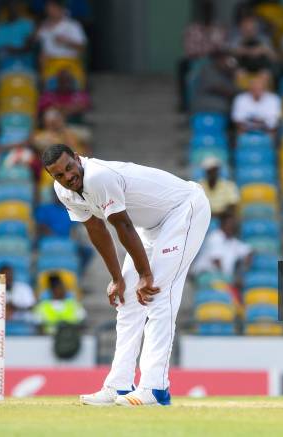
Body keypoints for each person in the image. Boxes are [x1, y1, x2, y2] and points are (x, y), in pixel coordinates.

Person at [42, 143, 211, 406]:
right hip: (150, 227)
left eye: (69, 168)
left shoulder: (99, 176)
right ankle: (120, 385)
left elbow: (122, 225)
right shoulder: (64, 191)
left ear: (77, 158)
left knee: (157, 294)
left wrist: (145, 274)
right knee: (127, 301)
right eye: (59, 175)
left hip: (183, 210)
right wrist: (117, 279)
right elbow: (96, 228)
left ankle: (155, 388)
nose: (67, 177)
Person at [179, 0, 227, 111]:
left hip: (215, 63)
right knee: (191, 79)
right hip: (197, 62)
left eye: (209, 11)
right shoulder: (192, 29)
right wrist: (210, 50)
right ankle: (188, 108)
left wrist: (207, 50)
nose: (207, 14)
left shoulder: (218, 29)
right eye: (205, 11)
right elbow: (190, 50)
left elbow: (222, 48)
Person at [192, 212, 252, 284]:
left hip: (220, 277)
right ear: (222, 224)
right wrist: (229, 279)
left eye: (233, 224)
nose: (232, 226)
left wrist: (246, 264)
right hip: (205, 274)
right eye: (229, 224)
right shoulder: (215, 237)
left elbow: (248, 250)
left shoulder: (233, 242)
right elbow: (216, 261)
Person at [231, 71, 281, 136]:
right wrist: (258, 122)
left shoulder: (274, 99)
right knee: (239, 131)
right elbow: (237, 119)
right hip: (246, 130)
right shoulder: (240, 98)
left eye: (259, 88)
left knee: (273, 132)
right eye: (254, 88)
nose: (257, 90)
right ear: (249, 88)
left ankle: (269, 145)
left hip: (266, 130)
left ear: (264, 88)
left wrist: (256, 122)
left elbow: (274, 121)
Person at [190, 50, 238, 115]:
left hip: (219, 100)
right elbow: (223, 90)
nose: (228, 62)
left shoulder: (226, 70)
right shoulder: (208, 70)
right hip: (207, 102)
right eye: (225, 60)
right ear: (218, 60)